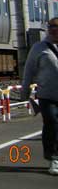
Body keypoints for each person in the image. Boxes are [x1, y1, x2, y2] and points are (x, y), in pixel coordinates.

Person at [21, 17, 58, 176]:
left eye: (57, 26)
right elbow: (29, 70)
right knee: (52, 123)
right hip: (47, 95)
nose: (54, 29)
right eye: (51, 26)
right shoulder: (39, 48)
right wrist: (25, 90)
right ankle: (53, 158)